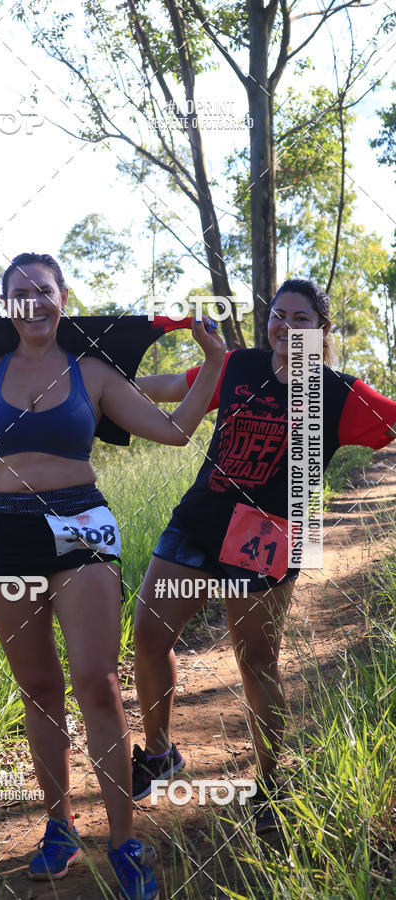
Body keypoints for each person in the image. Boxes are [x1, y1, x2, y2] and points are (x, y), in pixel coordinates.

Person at [0, 252, 226, 900]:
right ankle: (60, 827)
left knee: (99, 684)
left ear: (63, 298)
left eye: (43, 290)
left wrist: (216, 361)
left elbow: (174, 431)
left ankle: (124, 841)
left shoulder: (93, 373)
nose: (32, 302)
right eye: (20, 293)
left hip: (81, 522)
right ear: (7, 306)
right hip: (2, 532)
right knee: (37, 688)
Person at [132, 278, 396, 833]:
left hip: (269, 536)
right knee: (150, 636)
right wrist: (102, 381)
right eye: (279, 315)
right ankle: (158, 753)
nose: (286, 327)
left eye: (301, 319)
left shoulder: (341, 394)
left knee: (255, 659)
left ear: (321, 330)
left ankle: (273, 784)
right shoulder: (236, 366)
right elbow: (173, 387)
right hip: (199, 522)